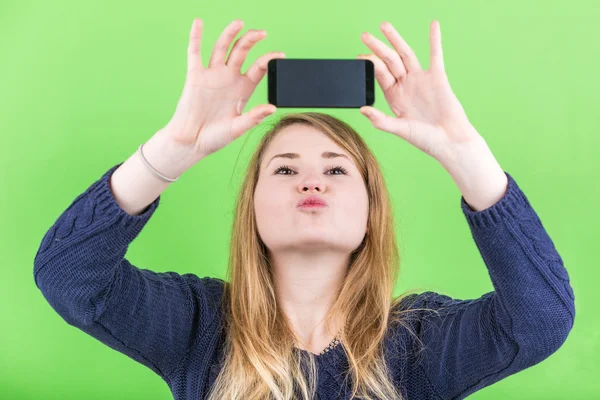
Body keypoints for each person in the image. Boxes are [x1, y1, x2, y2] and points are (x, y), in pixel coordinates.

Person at [33, 18, 575, 400]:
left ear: (371, 212)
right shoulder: (200, 326)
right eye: (285, 169)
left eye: (337, 169)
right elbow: (66, 276)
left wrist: (467, 158)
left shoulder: (420, 342)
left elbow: (543, 321)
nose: (311, 179)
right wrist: (171, 151)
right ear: (253, 208)